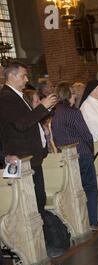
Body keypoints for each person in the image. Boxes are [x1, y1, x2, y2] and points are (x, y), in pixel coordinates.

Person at [0, 61, 58, 215]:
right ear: (11, 76)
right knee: (30, 204)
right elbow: (20, 124)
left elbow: (29, 121)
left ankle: (41, 236)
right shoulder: (6, 97)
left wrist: (46, 109)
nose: (27, 80)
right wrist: (42, 107)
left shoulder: (19, 96)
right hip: (21, 158)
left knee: (38, 200)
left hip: (31, 157)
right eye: (23, 76)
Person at [51, 82, 98, 232]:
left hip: (67, 157)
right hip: (82, 153)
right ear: (69, 95)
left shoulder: (55, 113)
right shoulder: (73, 112)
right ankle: (92, 221)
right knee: (90, 188)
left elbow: (56, 138)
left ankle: (80, 222)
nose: (75, 95)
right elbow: (86, 134)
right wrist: (90, 150)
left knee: (75, 190)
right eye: (73, 93)